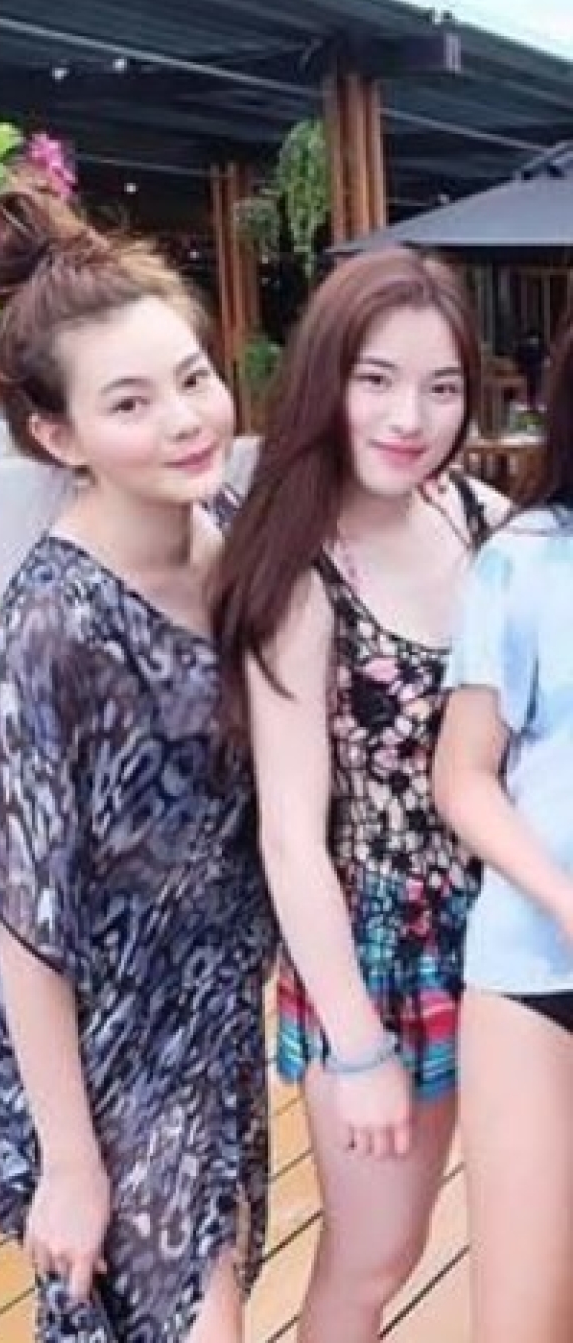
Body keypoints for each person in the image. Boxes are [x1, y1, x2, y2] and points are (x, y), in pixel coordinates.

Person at [0, 166, 277, 1343]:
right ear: (57, 433)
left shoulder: (223, 535)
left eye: (191, 377)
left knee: (202, 1293)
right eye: (128, 402)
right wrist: (69, 1163)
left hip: (209, 1005)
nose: (183, 417)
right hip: (103, 1037)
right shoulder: (54, 628)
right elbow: (22, 921)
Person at [212, 247, 506, 1343]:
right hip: (380, 954)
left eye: (441, 386)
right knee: (375, 1254)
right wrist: (358, 1047)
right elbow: (291, 837)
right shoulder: (301, 571)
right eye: (375, 379)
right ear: (325, 380)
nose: (408, 417)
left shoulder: (480, 519)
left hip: (510, 922)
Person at [433, 308, 573, 1343]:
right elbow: (464, 775)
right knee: (523, 1318)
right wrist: (564, 899)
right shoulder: (523, 561)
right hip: (535, 971)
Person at [512, 324, 547, 412]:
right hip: (528, 372)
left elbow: (544, 357)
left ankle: (533, 403)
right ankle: (530, 403)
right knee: (531, 386)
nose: (533, 341)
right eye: (532, 338)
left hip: (532, 372)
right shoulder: (524, 347)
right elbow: (517, 358)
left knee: (534, 386)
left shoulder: (539, 347)